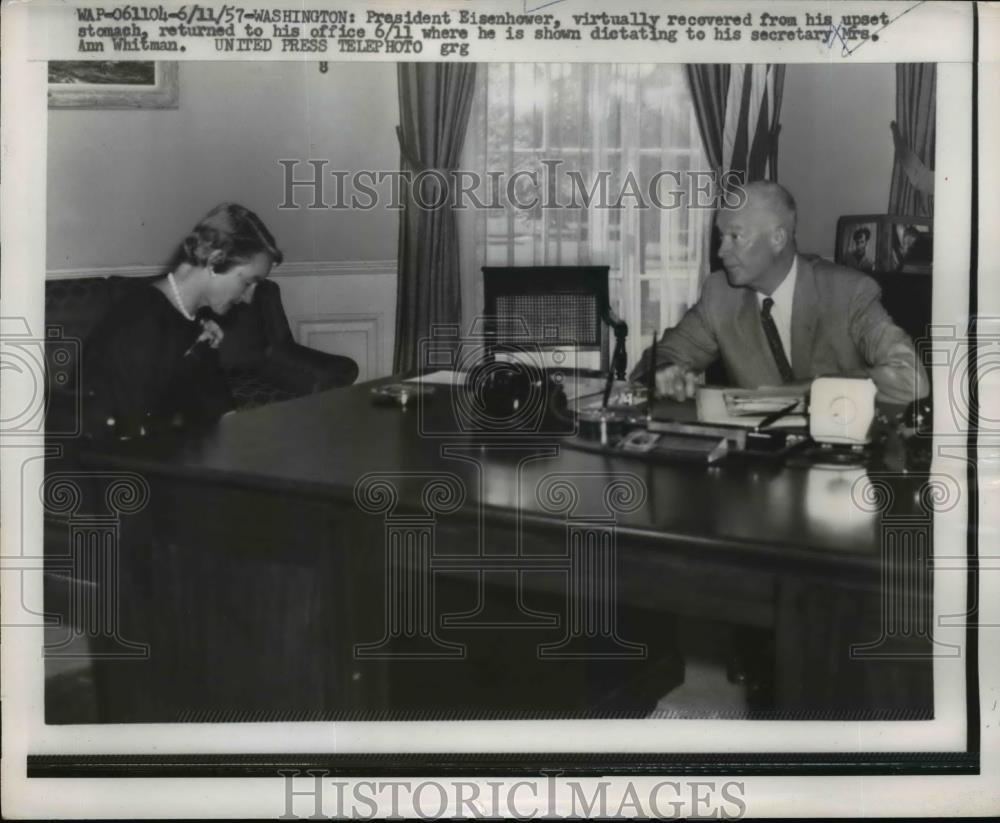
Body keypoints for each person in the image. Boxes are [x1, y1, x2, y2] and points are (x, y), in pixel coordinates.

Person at [631, 182, 929, 407]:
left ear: (777, 238)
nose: (721, 251)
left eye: (735, 237)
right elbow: (657, 360)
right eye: (721, 238)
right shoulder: (719, 295)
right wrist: (665, 372)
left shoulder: (847, 292)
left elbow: (911, 379)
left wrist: (812, 389)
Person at [83, 203, 283, 439]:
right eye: (248, 282)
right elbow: (132, 441)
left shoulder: (195, 319)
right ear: (215, 260)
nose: (249, 299)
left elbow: (220, 410)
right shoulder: (141, 323)